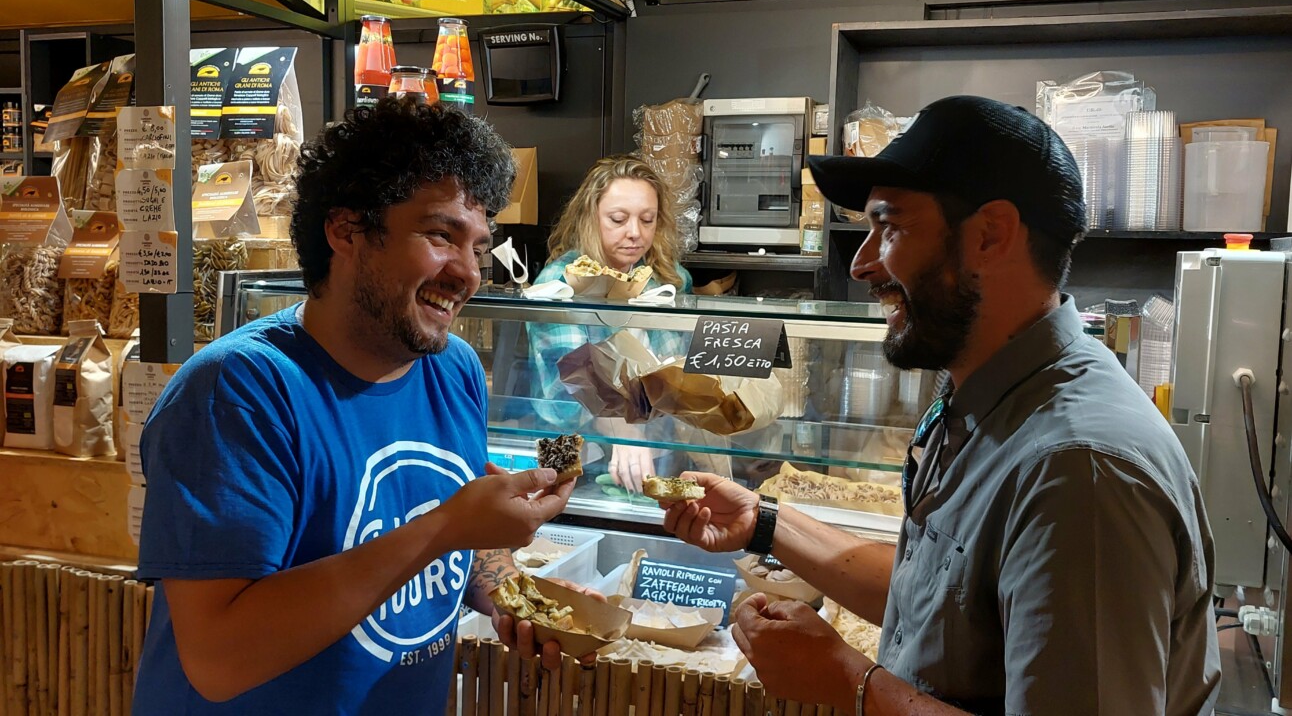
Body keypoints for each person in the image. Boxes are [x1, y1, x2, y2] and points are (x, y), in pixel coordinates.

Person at [662, 95, 1221, 715]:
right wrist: (766, 522)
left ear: (991, 235)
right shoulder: (985, 397)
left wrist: (849, 682)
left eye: (891, 227)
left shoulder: (1079, 469)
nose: (861, 262)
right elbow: (937, 600)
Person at [133, 99, 582, 714]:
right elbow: (218, 658)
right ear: (345, 231)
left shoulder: (451, 368)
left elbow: (447, 521)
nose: (468, 273)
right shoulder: (236, 391)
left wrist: (509, 593)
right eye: (440, 235)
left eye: (478, 245)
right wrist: (445, 529)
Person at [527, 155, 694, 493]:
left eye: (647, 220)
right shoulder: (558, 284)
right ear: (591, 218)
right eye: (618, 219)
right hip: (577, 469)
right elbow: (568, 386)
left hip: (659, 456)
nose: (635, 233)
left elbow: (680, 375)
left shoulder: (665, 281)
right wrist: (625, 430)